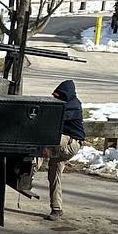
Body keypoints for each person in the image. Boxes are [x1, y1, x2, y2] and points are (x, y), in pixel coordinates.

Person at [47, 79, 85, 218]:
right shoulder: (66, 104)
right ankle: (56, 209)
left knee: (43, 142)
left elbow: (55, 118)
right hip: (64, 144)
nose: (56, 99)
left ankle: (30, 170)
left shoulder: (72, 106)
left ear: (66, 95)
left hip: (71, 143)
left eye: (59, 96)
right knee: (54, 175)